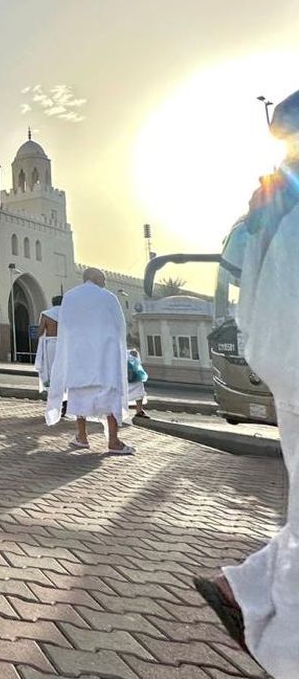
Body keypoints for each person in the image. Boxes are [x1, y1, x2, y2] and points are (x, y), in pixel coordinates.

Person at [192, 88, 299, 676]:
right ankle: (269, 622)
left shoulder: (269, 196)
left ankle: (249, 589)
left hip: (282, 357)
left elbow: (235, 268)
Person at [45, 268, 134, 454]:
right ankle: (114, 441)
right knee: (110, 397)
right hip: (104, 359)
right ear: (96, 279)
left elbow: (66, 328)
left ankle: (82, 437)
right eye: (103, 281)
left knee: (79, 396)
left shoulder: (70, 297)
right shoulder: (109, 298)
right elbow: (119, 328)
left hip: (79, 358)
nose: (105, 284)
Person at [33, 295, 62, 392]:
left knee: (51, 365)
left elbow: (40, 331)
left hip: (51, 343)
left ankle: (52, 385)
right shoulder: (67, 314)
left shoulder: (46, 314)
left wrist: (36, 337)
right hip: (63, 343)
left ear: (53, 303)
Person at [127, 348, 149, 419]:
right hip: (119, 370)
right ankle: (115, 413)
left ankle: (139, 410)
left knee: (139, 388)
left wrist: (132, 353)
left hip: (130, 369)